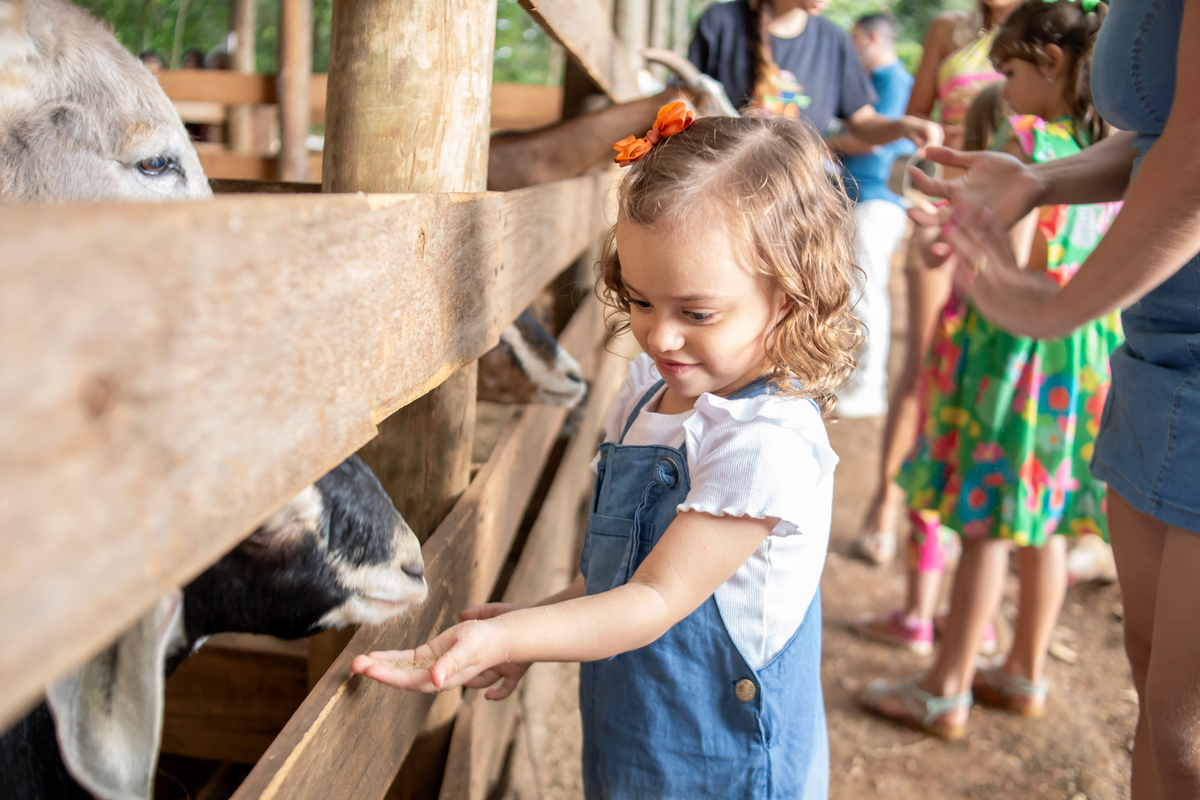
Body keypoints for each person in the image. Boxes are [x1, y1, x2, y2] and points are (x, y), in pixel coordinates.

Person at [350, 104, 861, 799]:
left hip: (721, 761)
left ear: (788, 295)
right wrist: (532, 628)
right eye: (642, 299)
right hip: (638, 732)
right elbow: (626, 574)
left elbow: (656, 597)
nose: (660, 336)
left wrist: (511, 641)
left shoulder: (762, 443)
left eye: (696, 312)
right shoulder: (652, 394)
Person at [915, 0, 1200, 791]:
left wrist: (1054, 306)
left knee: (1187, 737)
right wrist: (1039, 181)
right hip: (1157, 351)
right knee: (1154, 691)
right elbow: (1157, 142)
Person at [860, 0, 1120, 740]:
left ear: (1052, 63)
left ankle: (944, 690)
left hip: (1015, 354)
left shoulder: (1035, 142)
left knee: (985, 526)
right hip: (1076, 361)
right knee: (1046, 528)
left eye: (1008, 70)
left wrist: (963, 249)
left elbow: (1029, 265)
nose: (1000, 86)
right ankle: (1023, 672)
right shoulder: (1104, 151)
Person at [854, 0, 1020, 567]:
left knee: (990, 368)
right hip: (940, 208)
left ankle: (963, 516)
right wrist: (942, 137)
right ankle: (886, 502)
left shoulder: (1055, 29)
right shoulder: (949, 30)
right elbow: (917, 119)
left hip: (1015, 219)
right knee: (922, 362)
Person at [855, 81, 1010, 656]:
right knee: (985, 497)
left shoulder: (970, 202)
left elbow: (938, 254)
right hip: (1013, 382)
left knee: (936, 469)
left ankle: (919, 613)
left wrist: (936, 231)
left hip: (958, 364)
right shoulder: (1054, 198)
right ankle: (977, 621)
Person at [686, 0, 941, 147]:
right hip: (723, 189)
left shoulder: (834, 41)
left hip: (794, 202)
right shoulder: (721, 22)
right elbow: (685, 106)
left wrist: (904, 126)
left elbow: (863, 123)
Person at [827, 12, 916, 418]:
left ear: (870, 38)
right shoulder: (882, 80)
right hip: (859, 198)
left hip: (875, 199)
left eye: (854, 39)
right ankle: (857, 382)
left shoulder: (891, 80)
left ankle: (868, 388)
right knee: (854, 291)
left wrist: (819, 141)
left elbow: (871, 142)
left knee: (865, 293)